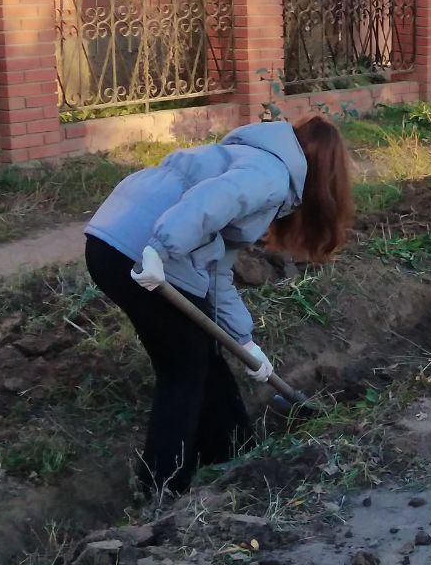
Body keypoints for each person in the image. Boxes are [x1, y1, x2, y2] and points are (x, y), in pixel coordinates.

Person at [83, 117, 353, 498]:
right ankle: (161, 490)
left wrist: (246, 343)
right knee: (184, 372)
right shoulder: (271, 174)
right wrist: (160, 249)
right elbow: (208, 202)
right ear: (325, 177)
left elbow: (215, 271)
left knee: (200, 357)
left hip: (114, 239)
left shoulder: (254, 158)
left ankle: (234, 457)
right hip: (140, 249)